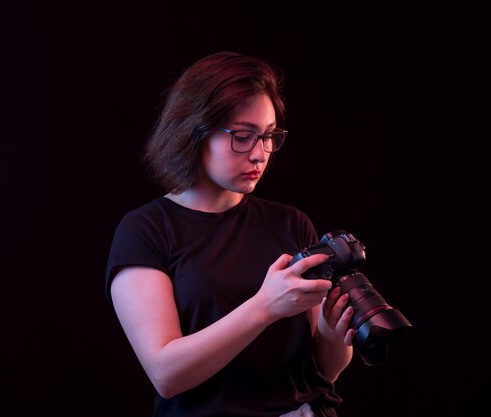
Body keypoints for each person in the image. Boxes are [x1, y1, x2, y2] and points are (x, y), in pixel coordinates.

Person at [105, 51, 355, 417]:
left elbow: (322, 371)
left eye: (268, 136)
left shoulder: (291, 223)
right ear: (194, 132)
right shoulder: (146, 231)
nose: (260, 154)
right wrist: (264, 307)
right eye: (242, 136)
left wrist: (336, 330)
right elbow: (166, 373)